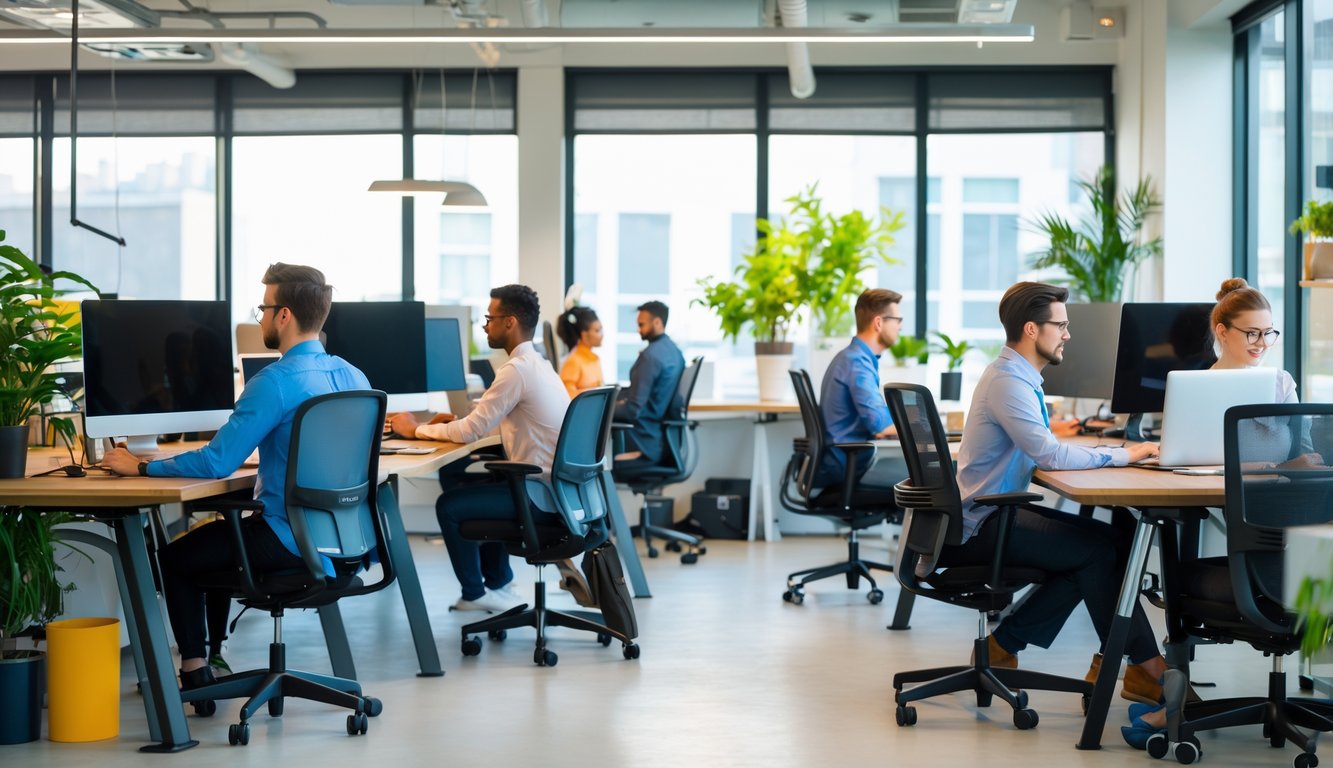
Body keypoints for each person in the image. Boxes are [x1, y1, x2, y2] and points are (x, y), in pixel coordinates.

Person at [102, 263, 370, 692]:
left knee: (176, 559)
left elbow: (216, 463)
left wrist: (142, 466)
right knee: (223, 538)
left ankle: (194, 671)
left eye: (263, 308)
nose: (260, 317)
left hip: (288, 540)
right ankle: (213, 658)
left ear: (284, 315)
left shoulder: (275, 382)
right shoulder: (354, 376)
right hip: (343, 543)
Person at [949, 281, 1168, 704]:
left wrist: (1114, 451)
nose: (1068, 334)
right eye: (1061, 325)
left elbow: (1042, 446)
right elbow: (1048, 455)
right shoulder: (1009, 382)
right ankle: (1147, 669)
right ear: (1032, 329)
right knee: (1098, 552)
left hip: (991, 513)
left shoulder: (1016, 376)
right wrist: (1125, 454)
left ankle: (1006, 647)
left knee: (1110, 542)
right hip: (981, 525)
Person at [389, 284, 570, 613]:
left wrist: (415, 429)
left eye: (490, 317)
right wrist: (448, 424)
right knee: (462, 475)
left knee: (450, 505)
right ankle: (497, 584)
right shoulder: (538, 365)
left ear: (510, 322)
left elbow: (473, 431)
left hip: (539, 495)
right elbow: (493, 422)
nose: (485, 325)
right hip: (556, 491)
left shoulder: (515, 370)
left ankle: (474, 593)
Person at [815, 288, 904, 491]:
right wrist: (931, 429)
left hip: (843, 462)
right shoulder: (857, 364)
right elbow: (880, 426)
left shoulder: (854, 358)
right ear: (879, 323)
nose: (901, 327)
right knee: (930, 480)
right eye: (897, 320)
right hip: (846, 468)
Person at [614, 300, 685, 465]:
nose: (639, 329)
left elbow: (633, 409)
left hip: (642, 442)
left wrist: (600, 409)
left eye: (642, 324)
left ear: (658, 322)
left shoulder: (651, 356)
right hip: (656, 439)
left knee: (590, 463)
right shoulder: (674, 352)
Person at [557, 305, 604, 398]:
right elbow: (568, 399)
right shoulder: (573, 361)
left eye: (601, 329)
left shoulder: (594, 358)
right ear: (584, 335)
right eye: (597, 330)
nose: (602, 335)